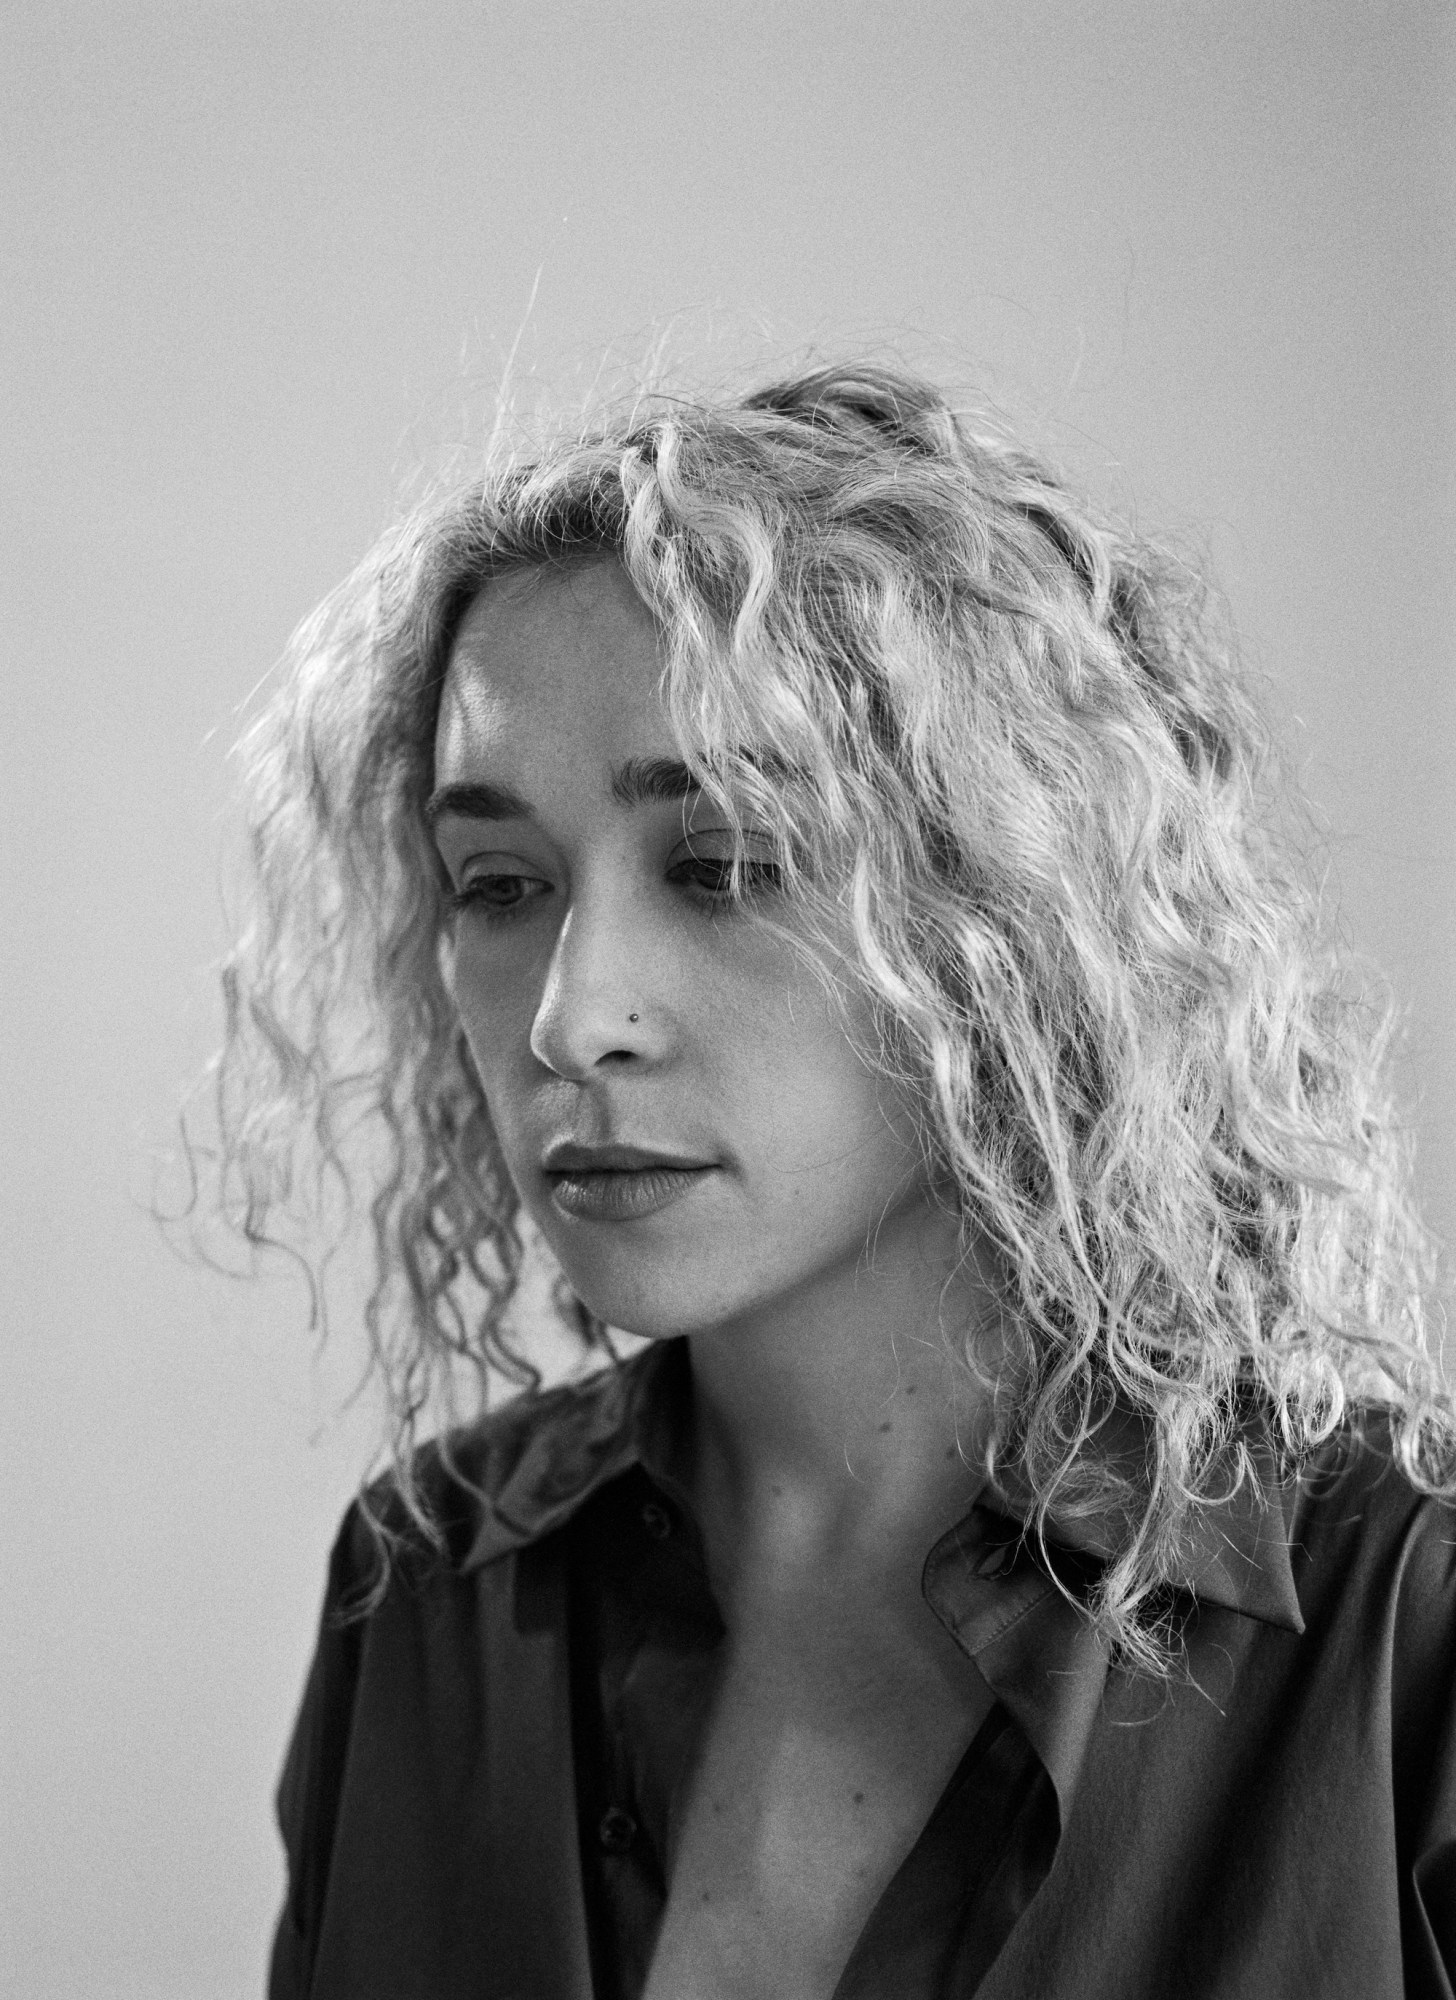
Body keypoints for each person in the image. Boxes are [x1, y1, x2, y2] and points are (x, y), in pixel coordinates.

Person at [213, 361, 1456, 1999]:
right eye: (497, 883)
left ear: (1007, 918)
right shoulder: (432, 1589)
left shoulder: (1399, 1628)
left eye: (725, 865)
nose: (576, 1019)